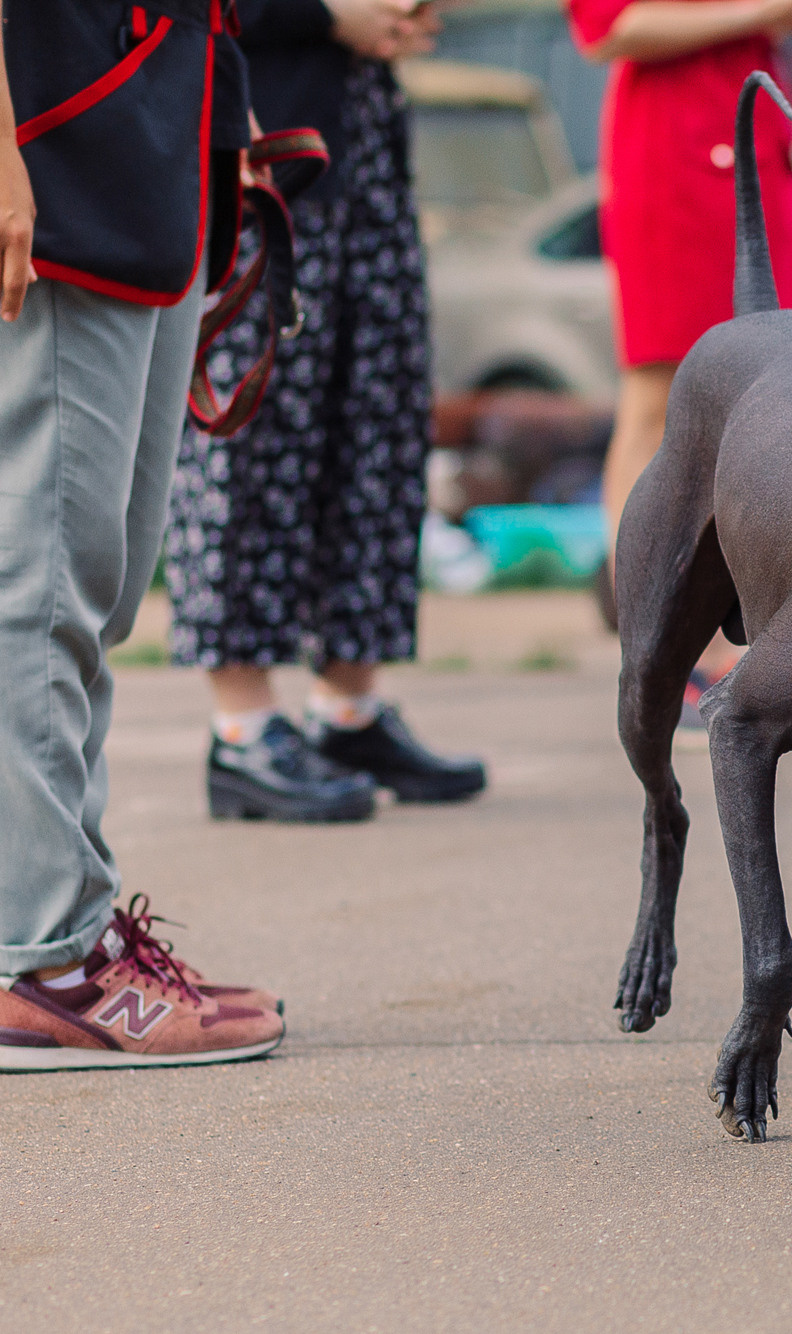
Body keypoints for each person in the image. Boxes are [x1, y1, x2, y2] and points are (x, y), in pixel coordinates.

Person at [0, 0, 285, 1066]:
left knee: (96, 590)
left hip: (159, 138)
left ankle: (71, 923)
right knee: (42, 587)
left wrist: (222, 108)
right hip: (58, 141)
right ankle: (39, 961)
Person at [163, 0, 489, 822]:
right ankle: (242, 727)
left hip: (367, 138)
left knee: (378, 423)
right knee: (254, 434)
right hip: (262, 144)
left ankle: (348, 709)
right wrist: (330, 12)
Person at [571, 0, 792, 702]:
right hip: (675, 154)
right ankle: (662, 646)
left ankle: (743, 634)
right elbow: (609, 28)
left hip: (756, 142)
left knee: (765, 395)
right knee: (660, 394)